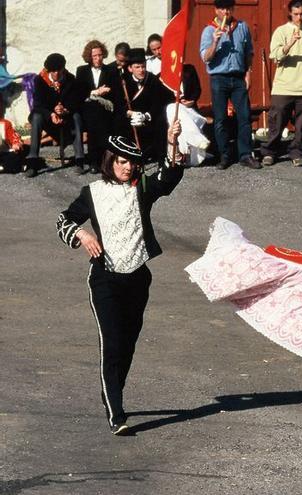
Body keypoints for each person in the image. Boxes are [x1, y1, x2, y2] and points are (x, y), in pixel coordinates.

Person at [55, 121, 185, 435]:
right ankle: (117, 414)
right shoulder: (92, 192)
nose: (127, 167)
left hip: (138, 278)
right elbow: (64, 220)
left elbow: (168, 177)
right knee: (111, 344)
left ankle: (112, 390)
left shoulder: (142, 188)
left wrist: (172, 143)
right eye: (122, 161)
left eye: (132, 163)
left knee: (127, 344)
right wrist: (82, 234)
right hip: (105, 279)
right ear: (110, 161)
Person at [260, 0, 302, 167]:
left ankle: (298, 153)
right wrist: (290, 43)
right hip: (284, 86)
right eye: (296, 14)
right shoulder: (281, 31)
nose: (299, 17)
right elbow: (275, 56)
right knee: (277, 122)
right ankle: (270, 152)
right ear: (290, 13)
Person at [200, 0, 260, 169]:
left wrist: (248, 73)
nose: (225, 12)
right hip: (219, 77)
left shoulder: (241, 27)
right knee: (220, 119)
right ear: (216, 10)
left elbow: (248, 53)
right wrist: (215, 42)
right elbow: (205, 58)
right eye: (222, 8)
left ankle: (245, 155)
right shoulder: (209, 30)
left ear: (233, 9)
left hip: (238, 77)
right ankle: (224, 155)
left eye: (228, 8)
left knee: (244, 116)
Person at [24, 53, 86, 178]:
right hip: (47, 115)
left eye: (59, 71)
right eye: (53, 71)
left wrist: (65, 110)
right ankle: (32, 161)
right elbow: (38, 104)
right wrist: (51, 113)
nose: (56, 74)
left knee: (77, 117)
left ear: (63, 69)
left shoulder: (70, 79)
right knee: (36, 117)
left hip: (66, 115)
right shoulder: (40, 80)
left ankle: (80, 159)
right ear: (48, 71)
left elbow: (76, 101)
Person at [113, 48, 174, 163]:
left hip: (148, 116)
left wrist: (146, 116)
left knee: (161, 121)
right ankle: (125, 156)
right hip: (130, 117)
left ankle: (161, 158)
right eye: (137, 67)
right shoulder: (122, 81)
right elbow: (117, 103)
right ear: (130, 68)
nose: (141, 70)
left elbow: (159, 102)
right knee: (118, 121)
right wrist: (130, 113)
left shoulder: (152, 80)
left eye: (143, 67)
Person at [76, 40, 120, 174]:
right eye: (94, 56)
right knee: (94, 112)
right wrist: (96, 92)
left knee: (100, 115)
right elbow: (79, 92)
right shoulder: (82, 71)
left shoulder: (111, 70)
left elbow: (116, 91)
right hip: (87, 107)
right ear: (89, 57)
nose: (98, 58)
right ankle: (94, 161)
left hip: (106, 108)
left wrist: (105, 93)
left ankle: (102, 160)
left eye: (100, 55)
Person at [166, 64, 211, 166]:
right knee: (173, 109)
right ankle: (197, 140)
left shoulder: (189, 69)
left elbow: (197, 89)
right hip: (172, 109)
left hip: (189, 108)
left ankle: (185, 155)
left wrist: (192, 101)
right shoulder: (165, 74)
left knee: (183, 117)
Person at [0, 102, 24, 174]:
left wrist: (16, 144)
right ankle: (4, 167)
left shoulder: (5, 123)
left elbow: (14, 137)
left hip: (4, 152)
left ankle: (4, 167)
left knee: (14, 159)